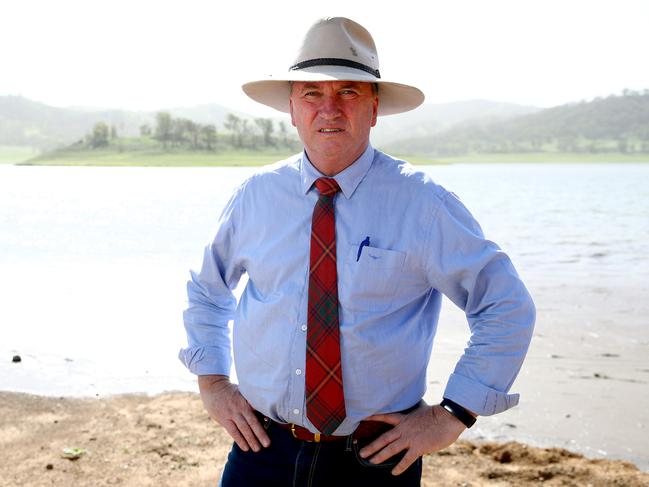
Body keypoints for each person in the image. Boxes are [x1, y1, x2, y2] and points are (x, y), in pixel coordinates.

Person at [179, 17, 535, 487]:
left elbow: (506, 306)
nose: (329, 109)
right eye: (312, 93)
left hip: (376, 459)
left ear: (374, 107)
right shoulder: (256, 196)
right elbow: (208, 292)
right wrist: (213, 383)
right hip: (261, 450)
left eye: (348, 91)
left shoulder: (423, 205)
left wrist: (452, 414)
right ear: (291, 108)